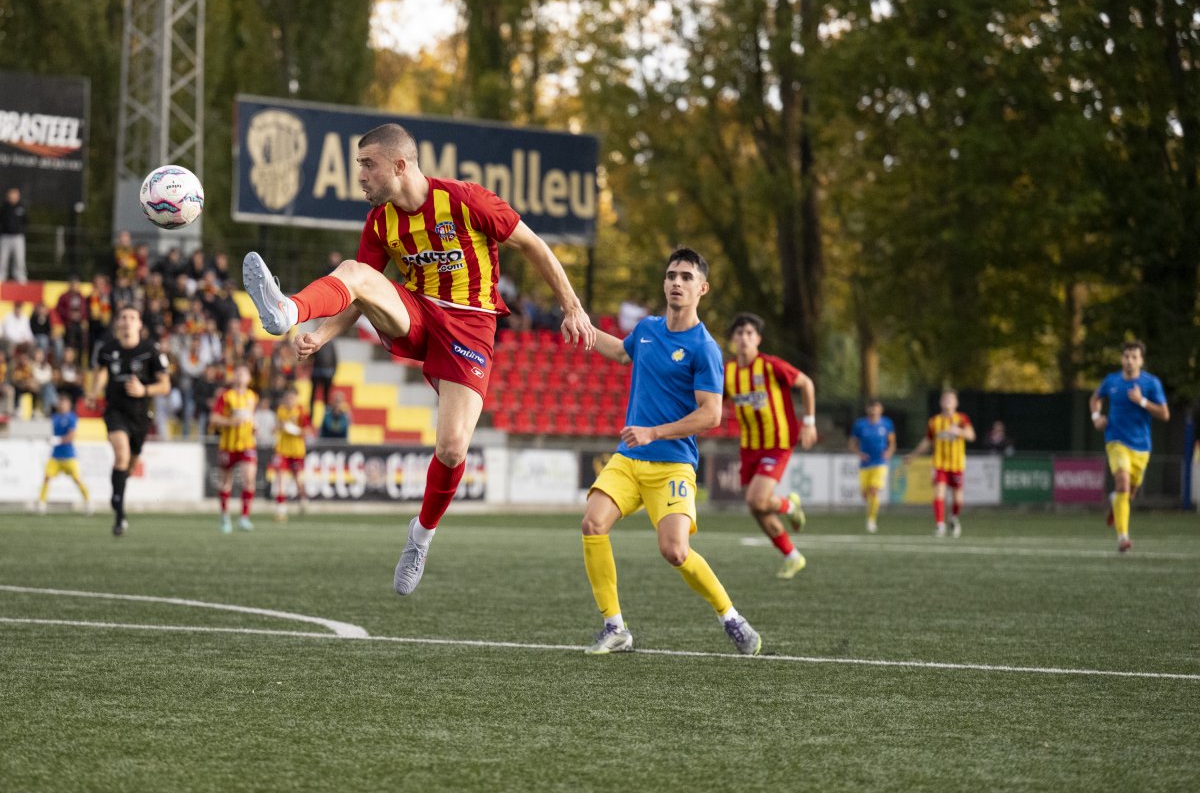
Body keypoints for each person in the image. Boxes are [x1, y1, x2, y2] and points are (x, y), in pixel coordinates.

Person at [242, 122, 594, 595]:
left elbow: (533, 244)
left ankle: (421, 536)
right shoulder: (379, 223)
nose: (360, 176)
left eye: (368, 165)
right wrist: (321, 334)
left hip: (470, 325)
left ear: (400, 165)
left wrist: (572, 306)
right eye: (359, 166)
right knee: (355, 271)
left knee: (452, 448)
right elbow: (358, 291)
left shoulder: (466, 200)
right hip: (417, 314)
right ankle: (288, 310)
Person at [579, 247, 761, 656]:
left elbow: (711, 414)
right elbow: (622, 351)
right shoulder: (646, 330)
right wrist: (584, 330)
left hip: (673, 464)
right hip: (629, 460)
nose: (676, 282)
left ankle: (730, 616)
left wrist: (654, 432)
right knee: (592, 523)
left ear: (702, 288)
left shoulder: (704, 348)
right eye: (671, 275)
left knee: (675, 550)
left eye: (685, 276)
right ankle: (615, 627)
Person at [723, 312, 816, 579]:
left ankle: (789, 506)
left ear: (759, 339)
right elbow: (716, 401)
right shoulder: (728, 372)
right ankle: (792, 555)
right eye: (739, 333)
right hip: (749, 446)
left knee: (757, 499)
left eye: (750, 333)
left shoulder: (771, 366)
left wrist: (809, 422)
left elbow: (807, 384)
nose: (744, 338)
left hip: (778, 442)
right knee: (756, 507)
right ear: (732, 339)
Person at [89, 305, 171, 536]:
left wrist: (143, 390)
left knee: (130, 464)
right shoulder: (107, 349)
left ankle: (118, 495)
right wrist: (94, 392)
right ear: (117, 323)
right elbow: (102, 373)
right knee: (121, 455)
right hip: (115, 411)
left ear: (139, 324)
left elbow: (165, 385)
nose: (126, 321)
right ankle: (119, 512)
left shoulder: (150, 350)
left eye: (132, 317)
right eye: (123, 317)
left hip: (140, 416)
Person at [1090, 340, 1169, 553]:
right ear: (1122, 358)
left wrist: (1142, 401)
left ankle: (1116, 501)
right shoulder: (1112, 380)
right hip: (1116, 440)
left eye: (1134, 357)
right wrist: (1096, 416)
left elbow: (1165, 414)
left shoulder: (1151, 383)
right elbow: (1095, 398)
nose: (1130, 360)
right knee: (1123, 484)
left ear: (1141, 361)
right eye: (1126, 356)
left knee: (1129, 494)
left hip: (1142, 446)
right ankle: (1123, 537)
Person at [906, 389, 975, 537]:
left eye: (951, 399)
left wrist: (959, 431)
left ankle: (953, 518)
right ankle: (940, 525)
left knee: (958, 499)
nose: (947, 401)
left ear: (956, 402)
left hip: (957, 464)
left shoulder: (962, 419)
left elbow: (971, 435)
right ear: (940, 402)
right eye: (945, 399)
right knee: (939, 494)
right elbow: (927, 441)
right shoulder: (934, 421)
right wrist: (913, 455)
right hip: (939, 464)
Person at [210, 364, 259, 534]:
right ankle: (225, 517)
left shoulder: (252, 397)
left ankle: (244, 518)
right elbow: (214, 418)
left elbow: (251, 418)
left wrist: (254, 427)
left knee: (249, 479)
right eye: (237, 373)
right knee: (225, 482)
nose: (240, 376)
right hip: (228, 445)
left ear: (249, 379)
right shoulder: (226, 396)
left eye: (243, 373)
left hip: (247, 444)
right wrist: (231, 422)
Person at [37, 396, 92, 514]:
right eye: (60, 403)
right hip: (55, 456)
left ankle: (88, 502)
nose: (62, 405)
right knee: (46, 478)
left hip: (68, 455)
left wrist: (57, 440)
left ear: (69, 405)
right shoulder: (55, 418)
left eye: (64, 403)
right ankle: (41, 504)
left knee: (77, 479)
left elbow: (71, 436)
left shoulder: (72, 418)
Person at [848, 399, 896, 533]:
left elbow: (892, 442)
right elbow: (852, 444)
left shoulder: (887, 424)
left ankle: (871, 520)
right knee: (865, 494)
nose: (874, 410)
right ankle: (870, 514)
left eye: (876, 408)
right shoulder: (860, 424)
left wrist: (889, 452)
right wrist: (859, 453)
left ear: (881, 409)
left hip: (880, 463)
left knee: (874, 490)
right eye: (871, 408)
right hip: (865, 464)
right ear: (867, 409)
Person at [272, 386, 311, 521]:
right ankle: (281, 510)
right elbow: (276, 428)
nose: (289, 401)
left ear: (296, 398)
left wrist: (293, 429)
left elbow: (307, 431)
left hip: (297, 450)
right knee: (280, 479)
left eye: (291, 398)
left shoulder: (301, 411)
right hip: (282, 449)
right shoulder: (280, 410)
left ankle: (303, 498)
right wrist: (278, 428)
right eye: (287, 398)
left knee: (298, 479)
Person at [0, 187, 28, 283]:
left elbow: (26, 221)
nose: (13, 196)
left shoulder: (22, 207)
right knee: (3, 258)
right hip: (5, 236)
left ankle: (20, 276)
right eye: (11, 194)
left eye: (15, 194)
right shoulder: (4, 208)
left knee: (19, 259)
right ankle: (2, 275)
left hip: (18, 237)